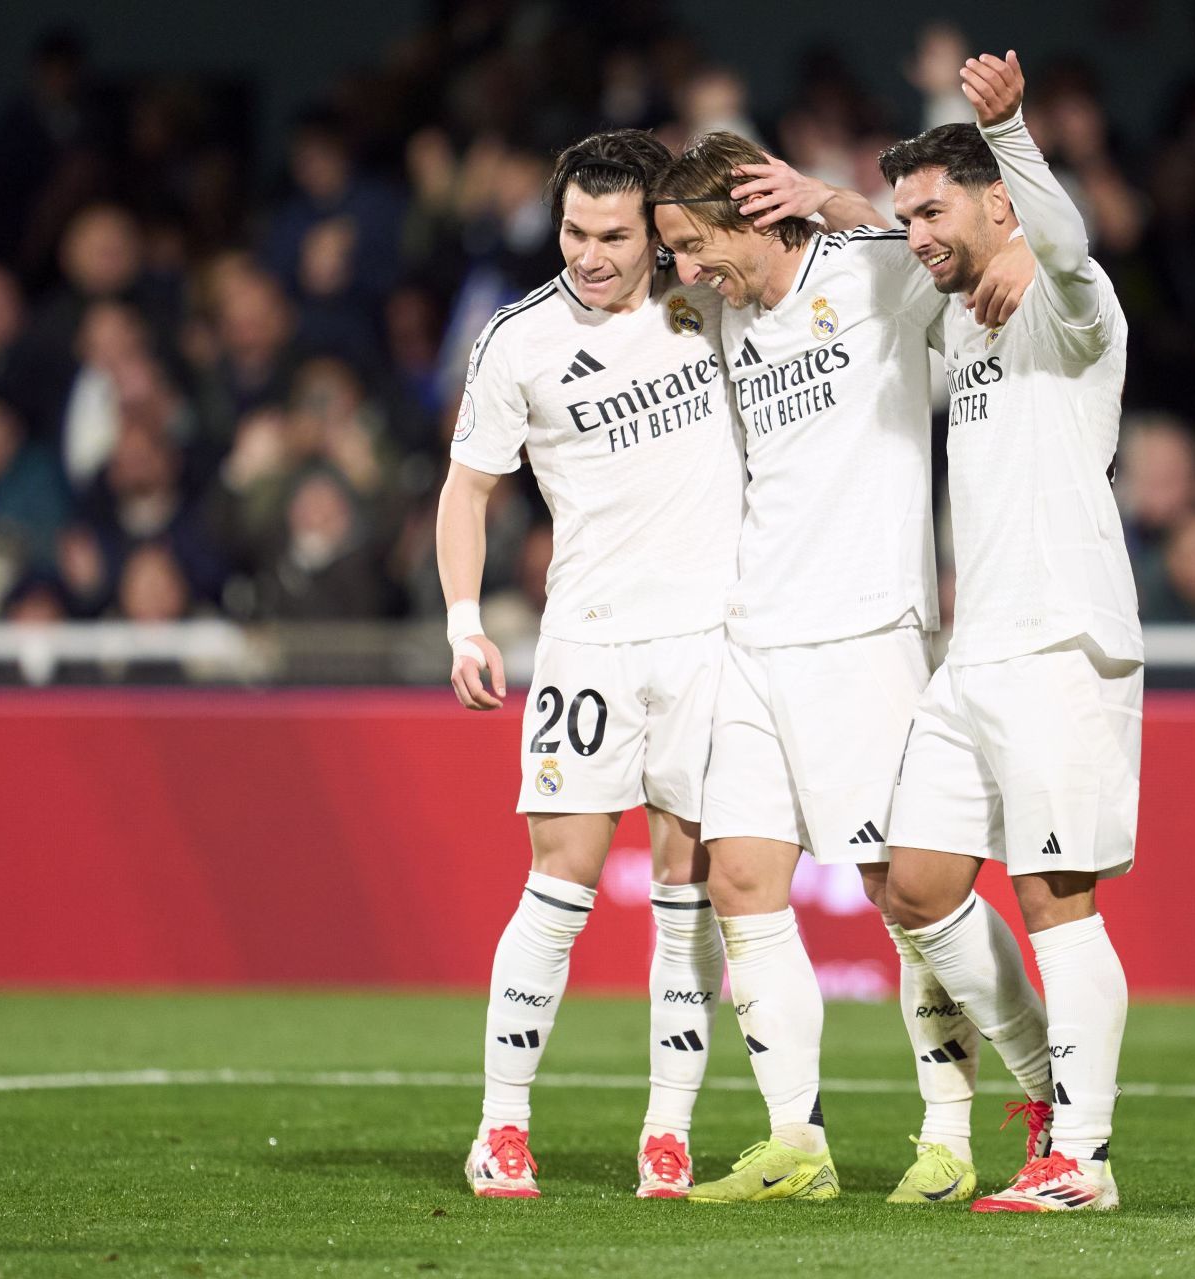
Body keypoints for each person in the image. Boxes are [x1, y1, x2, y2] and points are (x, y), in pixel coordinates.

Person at [649, 129, 1031, 1205]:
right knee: (739, 880)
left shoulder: (869, 275)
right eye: (672, 249)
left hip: (865, 630)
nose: (686, 268)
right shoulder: (723, 319)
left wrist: (837, 200)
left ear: (753, 214)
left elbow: (983, 254)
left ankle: (956, 1135)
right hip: (754, 634)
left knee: (900, 892)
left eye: (693, 243)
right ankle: (795, 1146)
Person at [437, 130, 739, 1201]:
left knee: (687, 892)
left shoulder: (714, 307)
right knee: (557, 884)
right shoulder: (516, 340)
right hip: (591, 640)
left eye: (614, 234)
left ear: (658, 228)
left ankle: (668, 1132)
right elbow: (468, 488)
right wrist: (466, 619)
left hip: (709, 639)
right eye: (574, 230)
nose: (591, 254)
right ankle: (502, 1126)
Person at [879, 49, 1143, 1213]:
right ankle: (1046, 1088)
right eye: (905, 215)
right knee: (917, 882)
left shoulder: (1070, 309)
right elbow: (877, 239)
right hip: (974, 649)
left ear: (998, 201)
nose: (915, 234)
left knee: (1055, 899)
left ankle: (1082, 1159)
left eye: (933, 210)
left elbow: (1074, 253)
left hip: (1057, 638)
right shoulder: (956, 322)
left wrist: (1018, 133)